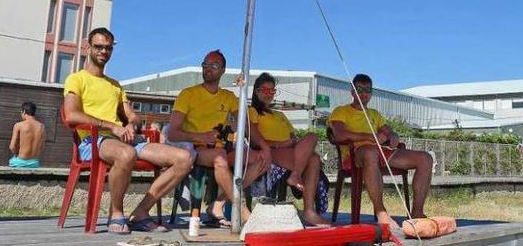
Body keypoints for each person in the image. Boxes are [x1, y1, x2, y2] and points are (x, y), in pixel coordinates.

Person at [63, 27, 192, 234]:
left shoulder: (115, 85)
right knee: (127, 154)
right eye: (98, 47)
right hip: (92, 141)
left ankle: (141, 212)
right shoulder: (76, 79)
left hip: (123, 140)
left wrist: (131, 124)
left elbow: (133, 116)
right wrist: (112, 126)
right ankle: (116, 214)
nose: (103, 52)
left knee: (184, 158)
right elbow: (71, 115)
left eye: (108, 48)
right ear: (88, 47)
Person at [166, 49, 271, 226]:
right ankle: (242, 210)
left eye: (214, 65)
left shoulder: (228, 96)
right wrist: (200, 136)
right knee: (220, 158)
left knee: (259, 158)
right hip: (195, 149)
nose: (208, 68)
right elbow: (172, 132)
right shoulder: (188, 94)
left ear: (223, 70)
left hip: (220, 148)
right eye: (205, 64)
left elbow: (245, 124)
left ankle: (218, 204)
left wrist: (265, 147)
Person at [328, 74, 432, 228]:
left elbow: (388, 131)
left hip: (380, 152)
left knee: (425, 158)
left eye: (367, 90)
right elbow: (339, 134)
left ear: (371, 92)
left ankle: (417, 212)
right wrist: (370, 137)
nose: (364, 93)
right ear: (352, 92)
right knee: (371, 152)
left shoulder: (374, 114)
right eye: (359, 89)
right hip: (354, 155)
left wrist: (393, 136)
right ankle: (380, 212)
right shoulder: (341, 111)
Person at [249, 72, 329, 226]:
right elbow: (254, 139)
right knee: (313, 159)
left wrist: (294, 143)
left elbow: (292, 136)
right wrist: (281, 144)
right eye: (264, 90)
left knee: (312, 141)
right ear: (256, 91)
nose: (268, 94)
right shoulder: (252, 112)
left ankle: (307, 208)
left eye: (272, 91)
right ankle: (307, 208)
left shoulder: (280, 115)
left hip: (290, 150)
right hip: (271, 150)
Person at [8, 102, 45, 168]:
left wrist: (16, 154)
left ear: (24, 112)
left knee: (12, 160)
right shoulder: (42, 127)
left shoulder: (18, 125)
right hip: (34, 163)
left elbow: (12, 147)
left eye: (21, 112)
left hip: (20, 162)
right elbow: (41, 147)